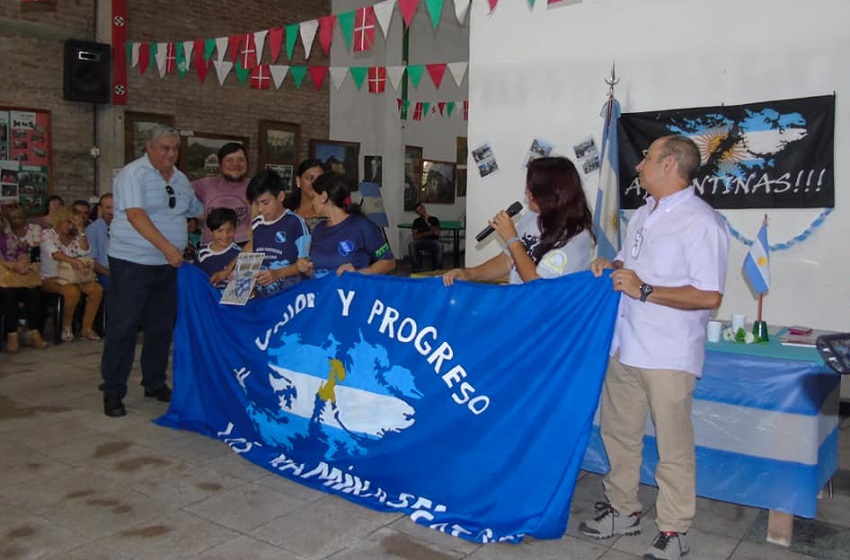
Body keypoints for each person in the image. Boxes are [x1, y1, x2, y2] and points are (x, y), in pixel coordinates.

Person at [578, 135, 729, 560]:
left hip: (668, 353)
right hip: (626, 345)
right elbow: (630, 264)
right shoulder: (644, 214)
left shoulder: (703, 222)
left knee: (673, 445)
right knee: (618, 433)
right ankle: (624, 509)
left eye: (647, 157)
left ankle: (674, 528)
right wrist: (613, 265)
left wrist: (645, 290)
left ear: (669, 165)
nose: (639, 164)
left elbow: (709, 295)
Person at [101, 125, 204, 418]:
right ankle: (113, 390)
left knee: (161, 326)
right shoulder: (133, 174)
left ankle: (155, 381)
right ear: (149, 147)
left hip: (167, 266)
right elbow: (135, 215)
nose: (171, 154)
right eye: (165, 148)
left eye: (175, 148)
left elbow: (197, 209)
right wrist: (167, 248)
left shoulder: (182, 179)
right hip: (132, 261)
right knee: (125, 326)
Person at [443, 156, 594, 286]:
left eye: (532, 187)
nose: (526, 192)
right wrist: (468, 274)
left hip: (550, 316)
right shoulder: (532, 217)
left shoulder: (576, 237)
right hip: (520, 307)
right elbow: (506, 261)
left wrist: (512, 240)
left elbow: (538, 285)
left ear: (551, 193)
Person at [212, 169, 311, 297]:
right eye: (256, 204)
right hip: (263, 298)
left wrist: (277, 274)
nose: (260, 209)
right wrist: (232, 272)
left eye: (265, 203)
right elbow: (252, 247)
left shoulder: (295, 223)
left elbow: (305, 265)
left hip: (290, 296)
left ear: (280, 196)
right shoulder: (258, 223)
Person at [308, 172, 396, 277]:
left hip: (352, 291)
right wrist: (305, 269)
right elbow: (316, 271)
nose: (311, 202)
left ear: (324, 197)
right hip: (323, 292)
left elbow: (389, 263)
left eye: (313, 197)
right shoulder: (319, 230)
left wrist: (359, 273)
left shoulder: (362, 226)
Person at [39, 206, 103, 342]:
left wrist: (81, 230)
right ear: (59, 221)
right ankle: (66, 327)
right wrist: (72, 260)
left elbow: (85, 251)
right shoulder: (47, 234)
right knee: (72, 292)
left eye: (72, 223)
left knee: (97, 290)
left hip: (74, 277)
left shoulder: (74, 237)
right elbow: (54, 253)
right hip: (51, 278)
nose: (70, 226)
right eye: (67, 222)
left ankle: (87, 328)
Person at [0, 203, 47, 353]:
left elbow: (22, 250)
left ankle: (34, 332)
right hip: (4, 277)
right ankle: (12, 334)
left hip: (15, 276)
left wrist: (22, 262)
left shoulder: (7, 236)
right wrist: (12, 265)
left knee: (33, 292)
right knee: (8, 295)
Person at [191, 142, 251, 245]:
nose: (235, 164)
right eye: (229, 160)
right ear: (220, 165)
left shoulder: (255, 186)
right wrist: (197, 212)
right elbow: (180, 191)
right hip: (211, 248)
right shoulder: (206, 184)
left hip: (244, 247)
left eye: (240, 159)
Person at [195, 208, 240, 282]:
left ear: (235, 229)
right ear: (210, 231)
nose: (225, 235)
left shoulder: (239, 253)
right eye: (220, 231)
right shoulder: (202, 253)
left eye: (230, 230)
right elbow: (197, 280)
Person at [283, 158, 326, 231]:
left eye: (319, 179)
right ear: (298, 181)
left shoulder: (330, 214)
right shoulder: (286, 214)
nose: (314, 183)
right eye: (310, 178)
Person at [86, 192, 113, 289]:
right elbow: (91, 262)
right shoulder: (93, 230)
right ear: (100, 209)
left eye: (115, 207)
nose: (112, 211)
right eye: (108, 208)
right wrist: (111, 274)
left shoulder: (125, 228)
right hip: (103, 274)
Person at [408, 203, 444, 272]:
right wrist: (429, 233)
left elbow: (437, 233)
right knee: (412, 244)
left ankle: (438, 269)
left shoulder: (434, 219)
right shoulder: (416, 222)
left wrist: (427, 222)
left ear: (424, 208)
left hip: (433, 241)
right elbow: (415, 237)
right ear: (417, 213)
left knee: (439, 244)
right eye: (418, 211)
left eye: (421, 209)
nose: (421, 212)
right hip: (421, 242)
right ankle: (416, 269)